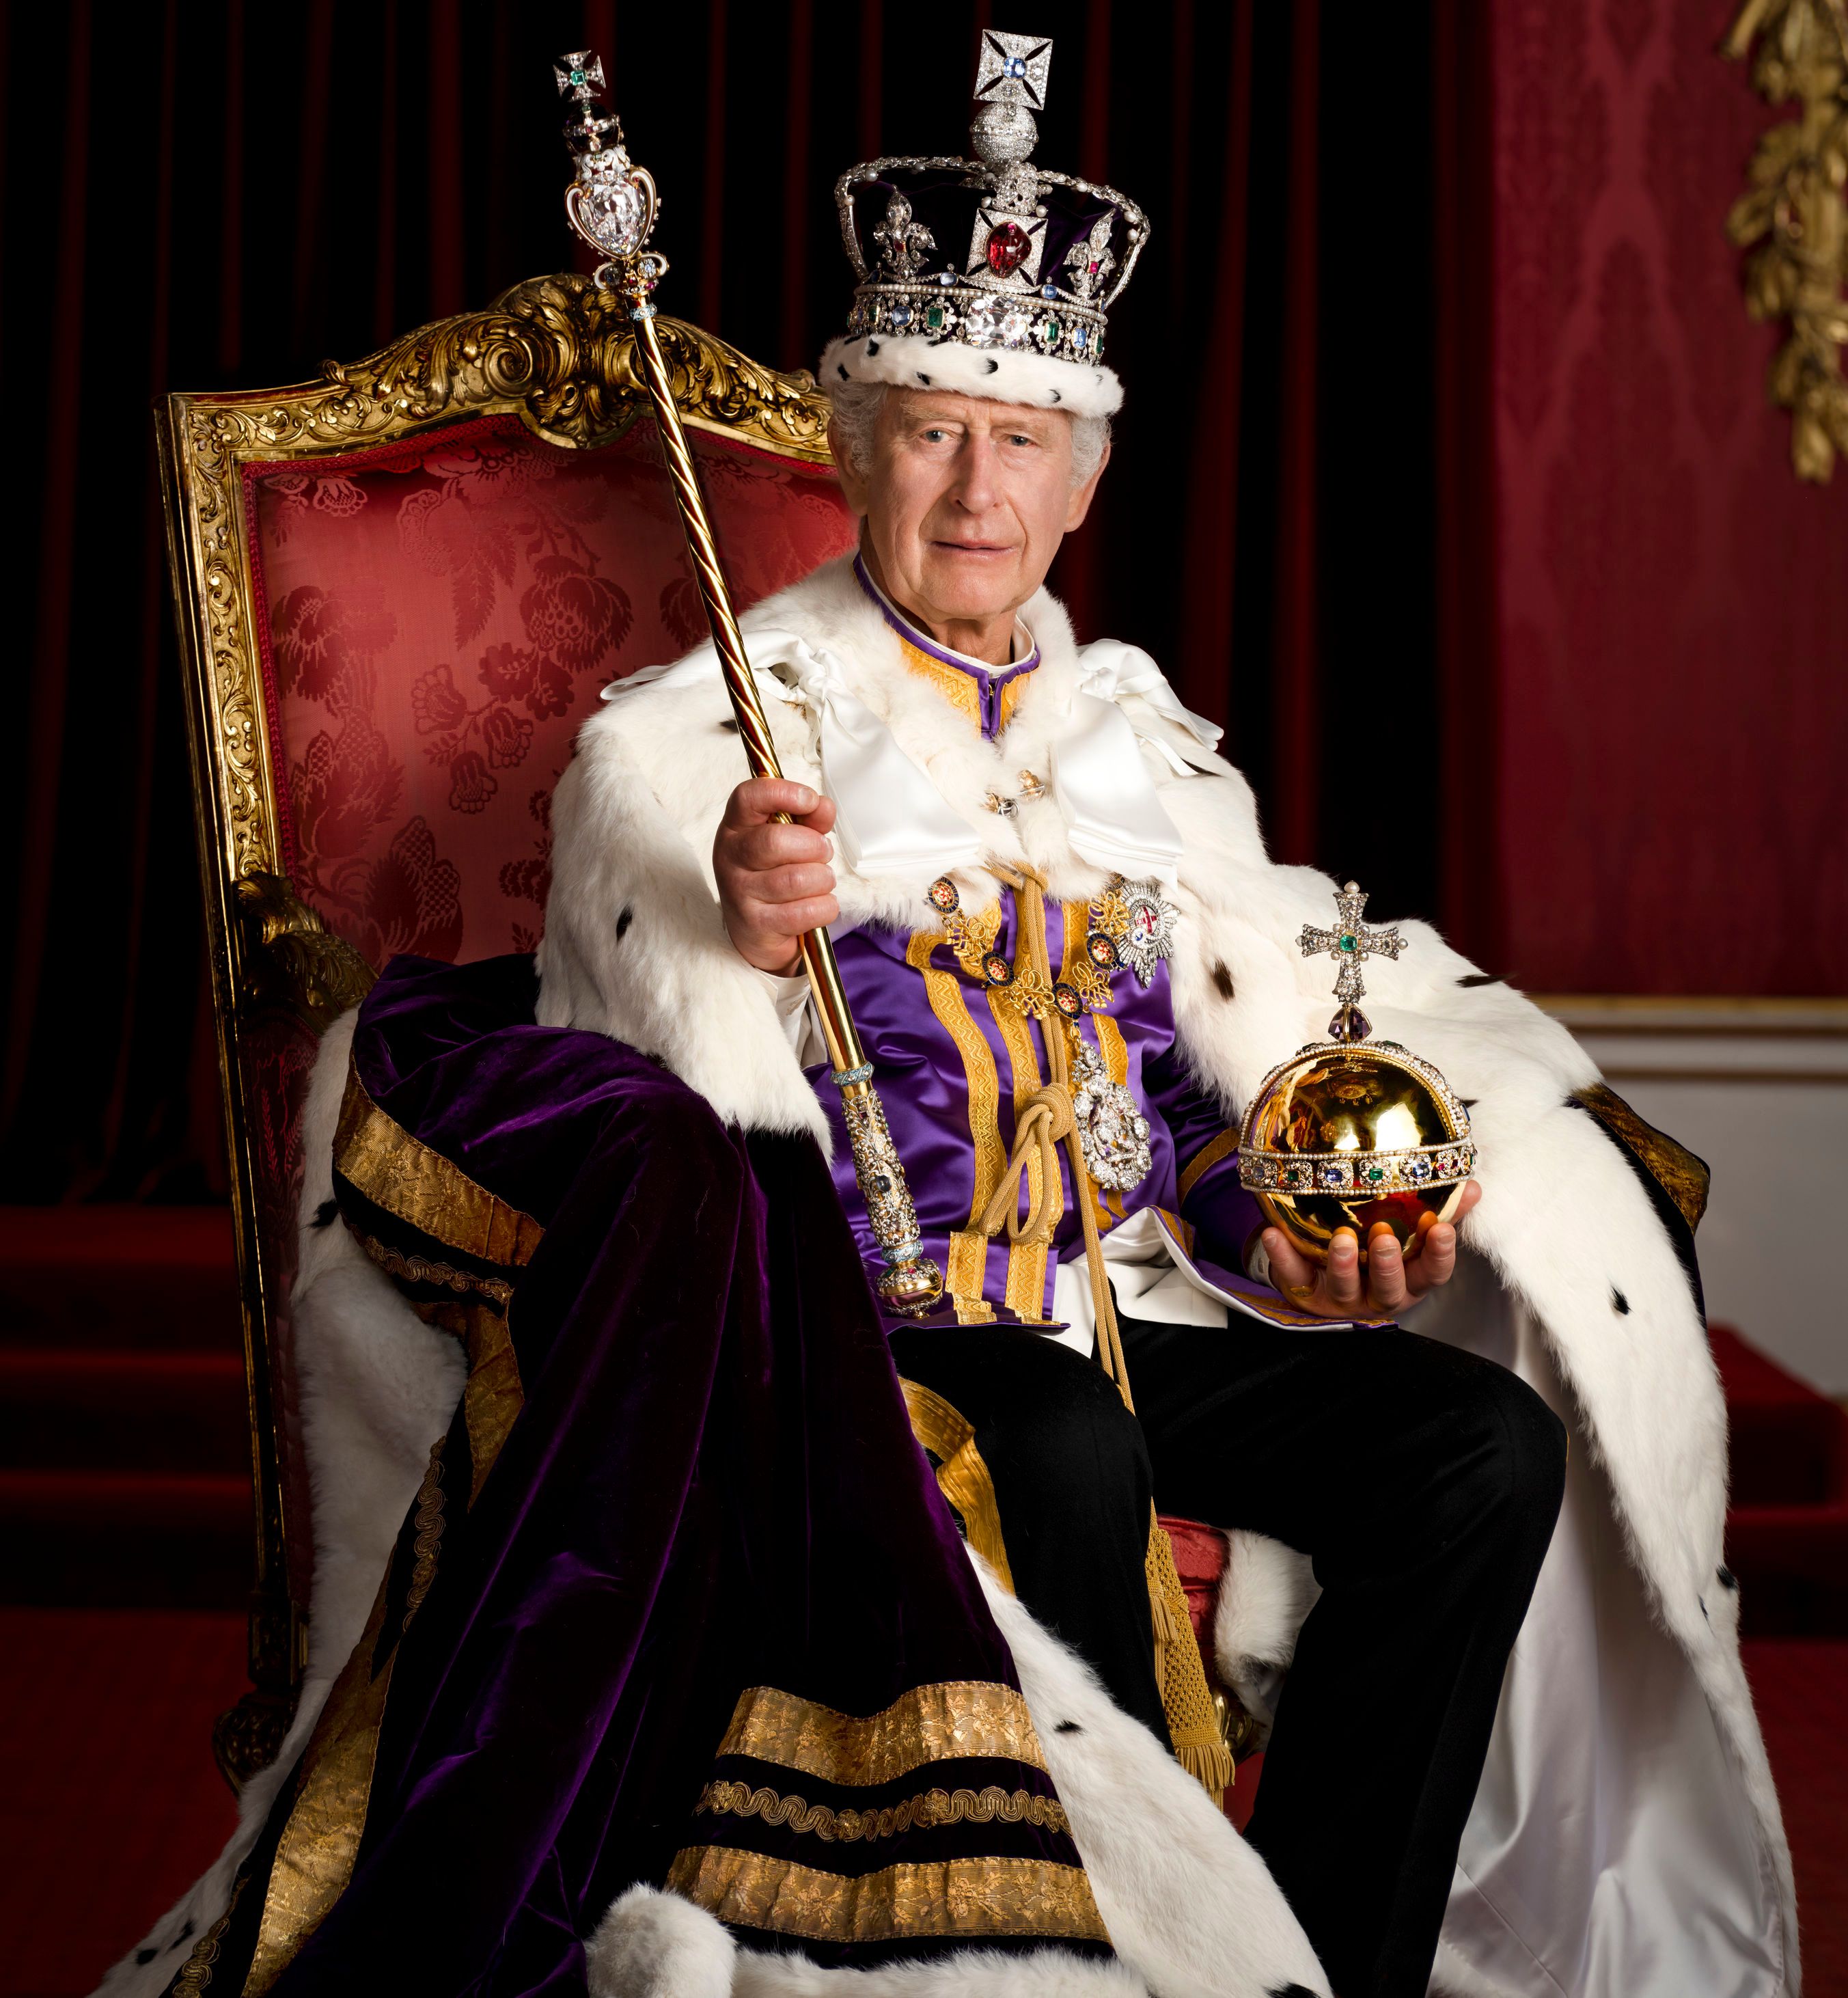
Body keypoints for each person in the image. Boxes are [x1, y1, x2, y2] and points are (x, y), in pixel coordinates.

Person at [107, 31, 1795, 1998]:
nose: (974, 482)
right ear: (852, 447)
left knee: (1472, 1444)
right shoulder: (695, 747)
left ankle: (1313, 1956)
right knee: (1066, 1437)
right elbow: (619, 1076)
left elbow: (1188, 1120)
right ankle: (1116, 1963)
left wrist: (1316, 1251)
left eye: (1019, 437)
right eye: (929, 429)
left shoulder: (1150, 759)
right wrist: (725, 915)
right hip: (851, 1330)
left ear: (1083, 476)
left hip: (1115, 1306)